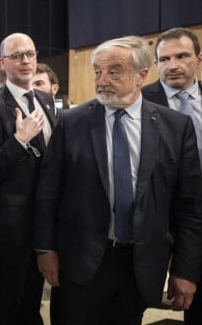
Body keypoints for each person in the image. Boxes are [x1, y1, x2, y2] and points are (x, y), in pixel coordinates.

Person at [35, 35, 202, 324]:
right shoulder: (71, 123)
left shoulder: (175, 126)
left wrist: (185, 269)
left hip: (141, 266)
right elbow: (48, 193)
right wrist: (45, 248)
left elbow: (188, 207)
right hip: (81, 264)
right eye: (98, 72)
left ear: (141, 75)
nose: (102, 80)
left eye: (114, 72)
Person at [0, 33, 57, 324]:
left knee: (33, 301)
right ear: (3, 62)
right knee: (9, 304)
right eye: (17, 56)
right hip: (12, 227)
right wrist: (20, 140)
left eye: (30, 54)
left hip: (45, 220)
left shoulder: (47, 101)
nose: (25, 61)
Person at [141, 27, 202, 324]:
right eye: (164, 59)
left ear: (198, 59)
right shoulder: (138, 102)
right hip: (164, 224)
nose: (172, 64)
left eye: (182, 56)